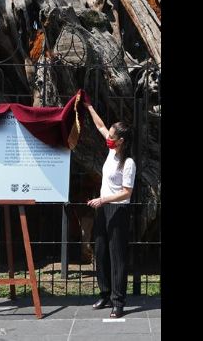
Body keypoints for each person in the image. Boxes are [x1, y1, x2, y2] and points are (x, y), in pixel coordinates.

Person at [84, 103, 136, 318]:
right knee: (101, 252)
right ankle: (105, 293)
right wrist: (87, 105)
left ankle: (118, 301)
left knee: (117, 257)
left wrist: (103, 199)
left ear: (121, 141)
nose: (109, 137)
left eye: (113, 136)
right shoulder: (111, 151)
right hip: (103, 209)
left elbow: (126, 193)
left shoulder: (128, 162)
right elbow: (100, 125)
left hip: (117, 211)